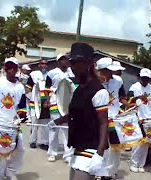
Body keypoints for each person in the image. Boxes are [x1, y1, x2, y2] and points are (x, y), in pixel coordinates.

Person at [48, 42, 109, 180]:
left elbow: (103, 123)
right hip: (77, 147)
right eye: (71, 62)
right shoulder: (79, 88)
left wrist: (99, 154)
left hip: (91, 150)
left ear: (88, 64)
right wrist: (57, 121)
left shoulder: (98, 91)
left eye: (76, 62)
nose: (72, 66)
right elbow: (76, 113)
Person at [95, 57, 130, 179]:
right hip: (98, 119)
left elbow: (122, 97)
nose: (112, 73)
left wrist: (129, 105)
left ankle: (111, 172)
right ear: (101, 70)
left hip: (115, 118)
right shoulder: (93, 83)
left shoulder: (118, 81)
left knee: (116, 147)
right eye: (109, 70)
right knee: (101, 147)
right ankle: (99, 172)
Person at [44, 54, 74, 162]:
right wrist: (47, 99)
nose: (65, 62)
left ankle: (68, 154)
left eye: (66, 59)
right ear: (58, 62)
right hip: (55, 102)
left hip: (68, 103)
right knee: (54, 128)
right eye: (62, 60)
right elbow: (46, 88)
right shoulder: (52, 73)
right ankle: (52, 152)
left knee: (67, 129)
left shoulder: (71, 72)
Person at [128, 68, 151, 173]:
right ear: (140, 77)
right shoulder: (134, 87)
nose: (145, 80)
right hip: (137, 117)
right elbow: (128, 100)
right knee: (138, 142)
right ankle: (134, 163)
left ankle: (141, 164)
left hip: (149, 118)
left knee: (146, 143)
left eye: (147, 78)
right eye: (143, 78)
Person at [26, 59, 50, 149]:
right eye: (42, 64)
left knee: (45, 123)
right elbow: (28, 88)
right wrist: (31, 99)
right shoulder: (33, 74)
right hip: (35, 103)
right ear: (39, 65)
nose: (44, 65)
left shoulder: (49, 75)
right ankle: (32, 141)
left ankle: (44, 142)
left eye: (45, 64)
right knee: (34, 122)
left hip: (46, 103)